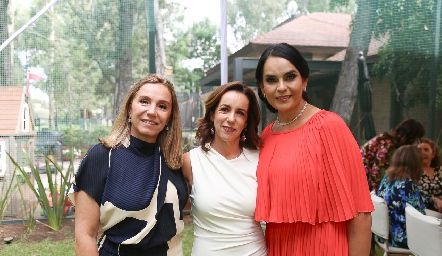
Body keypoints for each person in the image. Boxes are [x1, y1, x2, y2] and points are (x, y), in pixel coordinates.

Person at [254, 42, 373, 256]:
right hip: (279, 248)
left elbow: (361, 213)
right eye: (271, 80)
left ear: (304, 81)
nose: (281, 87)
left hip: (324, 247)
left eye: (290, 77)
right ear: (263, 89)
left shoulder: (330, 126)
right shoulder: (267, 136)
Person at [68, 74, 188, 255]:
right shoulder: (101, 156)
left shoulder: (174, 161)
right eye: (144, 101)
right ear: (130, 108)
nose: (152, 111)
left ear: (170, 117)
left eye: (162, 106)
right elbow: (85, 234)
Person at [182, 81, 267, 255]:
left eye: (240, 113)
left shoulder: (260, 159)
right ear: (212, 114)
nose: (231, 118)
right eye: (225, 109)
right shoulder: (190, 161)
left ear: (246, 122)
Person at [377, 145, 427, 249]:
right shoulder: (408, 184)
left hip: (384, 235)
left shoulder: (387, 179)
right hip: (402, 239)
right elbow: (419, 217)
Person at [360, 118, 425, 191]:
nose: (416, 142)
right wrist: (378, 192)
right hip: (361, 179)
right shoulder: (387, 146)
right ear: (409, 136)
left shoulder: (389, 140)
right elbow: (377, 171)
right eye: (416, 138)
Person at [418, 138, 442, 212]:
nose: (422, 153)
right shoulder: (413, 172)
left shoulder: (440, 169)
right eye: (419, 150)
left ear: (433, 154)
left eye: (426, 150)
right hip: (424, 208)